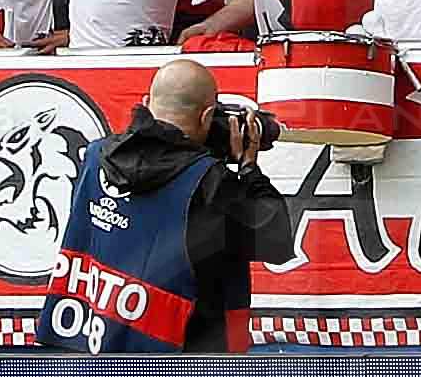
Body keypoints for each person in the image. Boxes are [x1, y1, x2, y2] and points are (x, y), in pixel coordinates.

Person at [39, 56, 304, 351]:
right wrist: (249, 168)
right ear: (206, 117)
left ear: (146, 102)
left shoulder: (95, 157)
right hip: (183, 367)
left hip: (93, 349)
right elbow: (275, 240)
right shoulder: (209, 182)